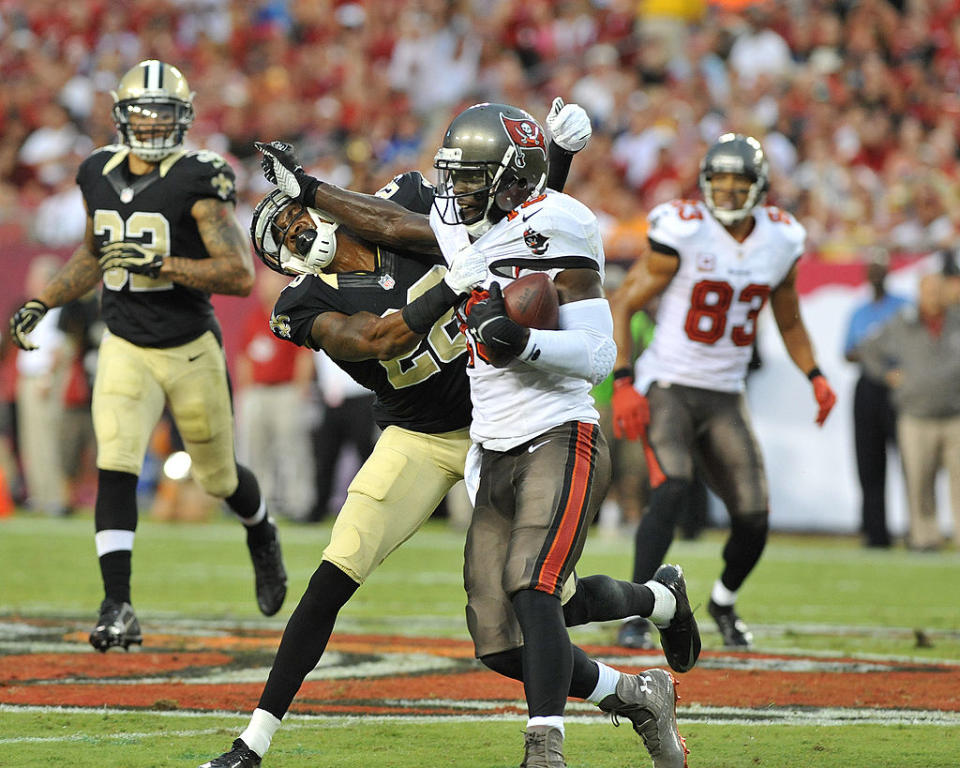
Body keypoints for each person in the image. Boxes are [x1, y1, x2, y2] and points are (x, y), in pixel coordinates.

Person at [202, 101, 696, 768]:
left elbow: (523, 228)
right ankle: (252, 742)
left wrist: (559, 159)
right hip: (418, 436)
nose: (297, 238)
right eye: (281, 243)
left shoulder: (409, 206)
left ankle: (656, 605)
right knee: (337, 576)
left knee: (549, 595)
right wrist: (443, 292)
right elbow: (373, 338)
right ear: (278, 267)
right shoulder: (300, 305)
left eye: (296, 220)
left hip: (502, 421)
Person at [7, 60, 288, 652]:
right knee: (117, 460)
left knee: (217, 476)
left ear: (182, 118)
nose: (153, 122)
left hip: (188, 348)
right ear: (121, 114)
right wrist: (45, 300)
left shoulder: (199, 176)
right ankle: (118, 604)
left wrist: (160, 264)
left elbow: (238, 274)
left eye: (164, 112)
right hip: (125, 343)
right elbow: (92, 253)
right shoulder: (96, 172)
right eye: (143, 110)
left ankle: (261, 532)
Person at [609, 133, 837, 651]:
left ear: (759, 187)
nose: (729, 189)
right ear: (706, 183)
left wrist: (816, 375)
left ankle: (724, 601)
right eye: (721, 179)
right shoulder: (684, 229)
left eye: (740, 180)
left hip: (725, 393)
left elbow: (791, 320)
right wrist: (624, 382)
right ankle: (639, 613)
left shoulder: (780, 239)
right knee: (670, 488)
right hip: (669, 382)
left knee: (754, 517)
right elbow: (623, 302)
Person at [858, 271, 960, 551]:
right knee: (919, 481)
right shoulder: (903, 322)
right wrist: (888, 373)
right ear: (919, 293)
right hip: (915, 414)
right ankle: (924, 538)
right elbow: (868, 349)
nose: (934, 297)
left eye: (939, 291)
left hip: (955, 415)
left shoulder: (956, 320)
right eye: (929, 291)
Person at [235, 268, 316, 521]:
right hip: (258, 392)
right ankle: (261, 504)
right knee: (256, 450)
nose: (264, 288)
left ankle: (299, 504)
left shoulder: (291, 316)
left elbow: (304, 353)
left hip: (285, 390)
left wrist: (300, 389)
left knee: (292, 450)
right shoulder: (254, 318)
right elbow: (244, 357)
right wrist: (244, 393)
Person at [842, 248, 909, 548]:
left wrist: (873, 350)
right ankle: (875, 533)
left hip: (899, 387)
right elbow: (848, 352)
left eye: (881, 267)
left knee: (910, 461)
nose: (876, 274)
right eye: (872, 268)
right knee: (869, 463)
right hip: (868, 388)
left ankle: (917, 530)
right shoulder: (858, 311)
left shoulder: (904, 307)